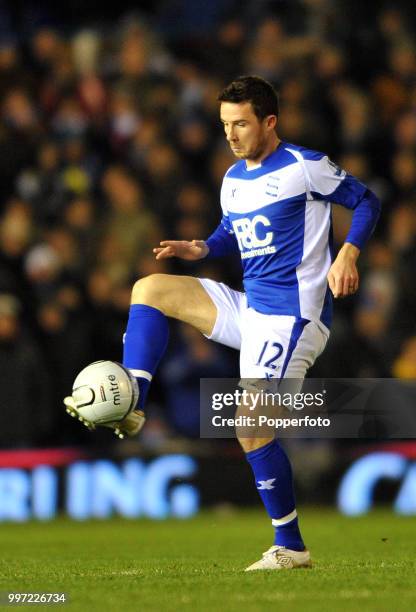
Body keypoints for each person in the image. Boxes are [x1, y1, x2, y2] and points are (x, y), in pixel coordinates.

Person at [65, 76, 380, 570]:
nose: (230, 135)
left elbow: (366, 200)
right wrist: (203, 247)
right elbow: (234, 233)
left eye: (240, 124)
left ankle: (291, 547)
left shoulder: (305, 167)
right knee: (150, 288)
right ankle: (133, 402)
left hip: (294, 317)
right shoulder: (233, 178)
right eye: (224, 125)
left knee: (249, 424)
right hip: (251, 308)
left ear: (269, 122)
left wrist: (348, 254)